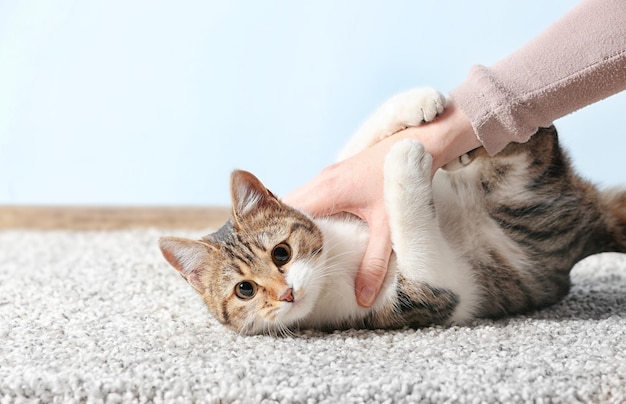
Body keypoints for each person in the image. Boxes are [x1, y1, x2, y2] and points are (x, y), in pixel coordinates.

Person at [283, 0, 626, 308]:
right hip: (510, 252)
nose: (281, 293)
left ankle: (488, 140)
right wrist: (409, 183)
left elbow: (353, 174)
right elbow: (438, 295)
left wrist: (396, 126)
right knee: (521, 162)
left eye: (281, 255)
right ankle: (501, 143)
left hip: (470, 194)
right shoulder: (330, 308)